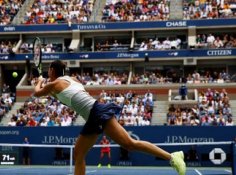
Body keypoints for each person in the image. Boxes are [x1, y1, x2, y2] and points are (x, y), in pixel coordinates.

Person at [34, 60, 186, 175]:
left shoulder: (53, 84)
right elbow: (61, 94)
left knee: (79, 154)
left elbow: (37, 92)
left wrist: (40, 81)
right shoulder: (72, 79)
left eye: (49, 70)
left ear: (53, 70)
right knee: (129, 144)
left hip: (95, 113)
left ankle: (172, 158)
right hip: (98, 110)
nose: (48, 72)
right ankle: (172, 156)